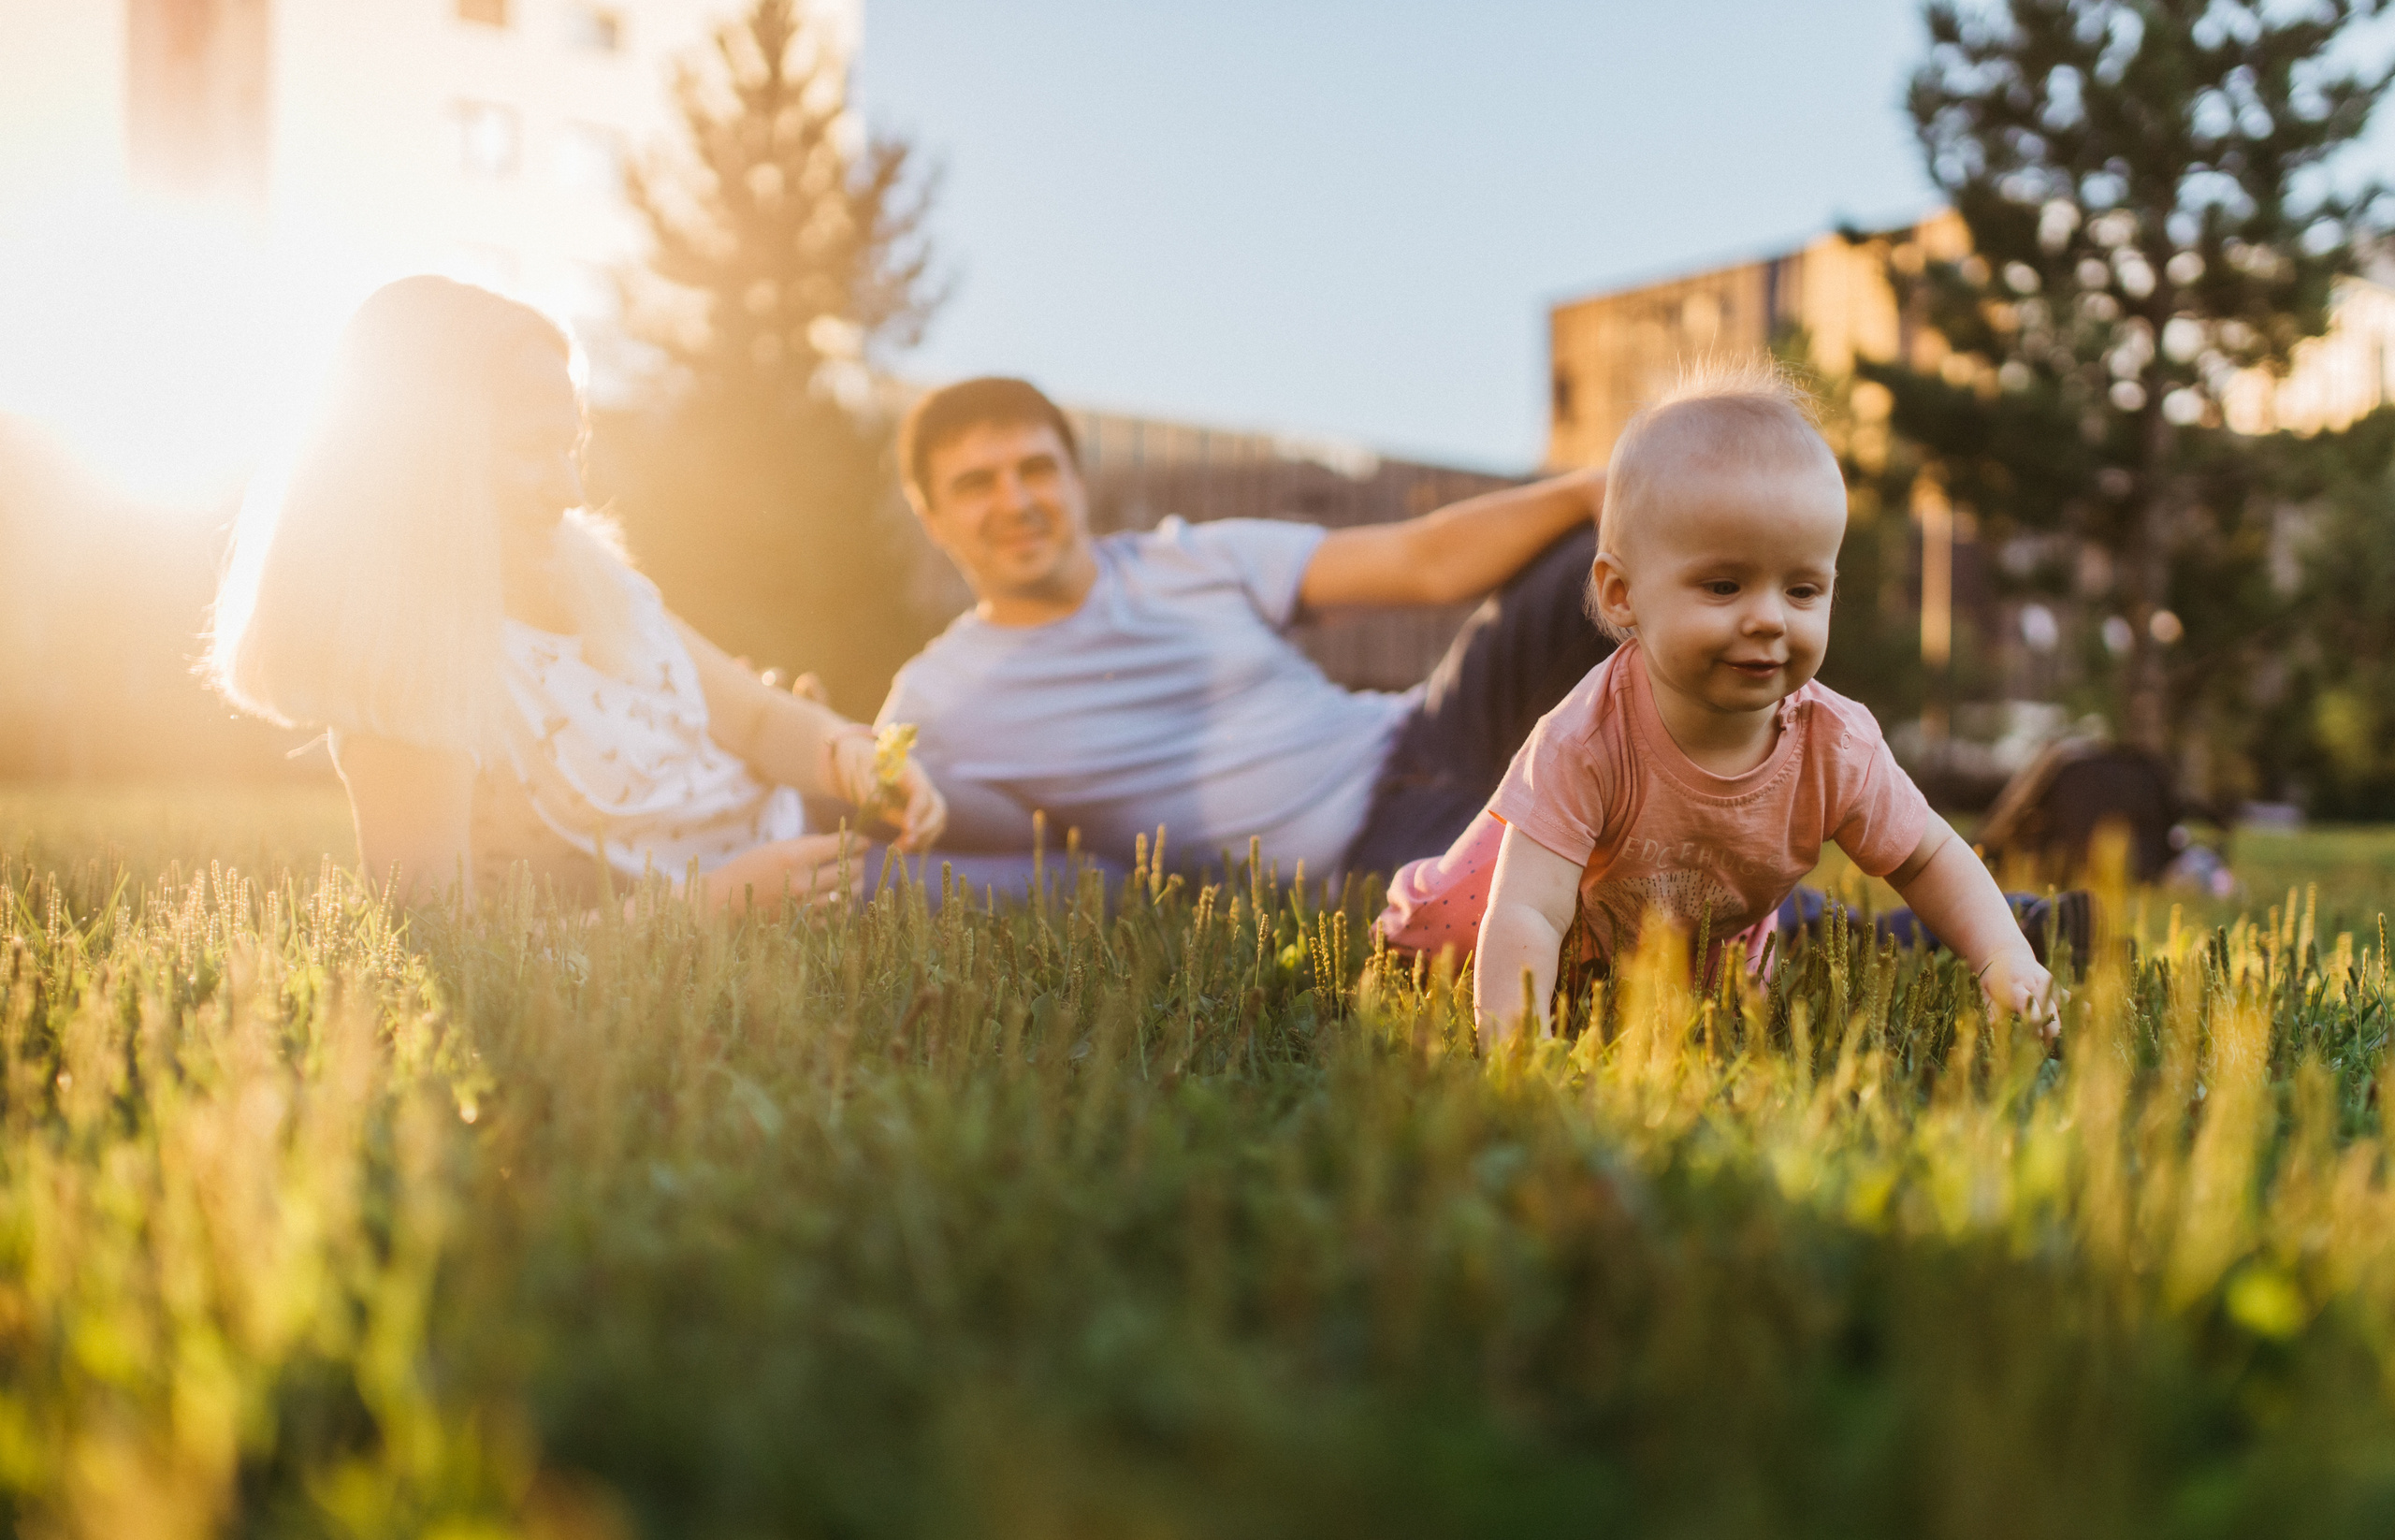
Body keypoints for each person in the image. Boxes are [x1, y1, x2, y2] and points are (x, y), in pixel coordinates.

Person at [208, 276, 946, 908]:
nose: (571, 491)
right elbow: (453, 951)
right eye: (532, 449)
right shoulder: (412, 687)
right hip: (809, 874)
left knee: (966, 800)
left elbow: (755, 721)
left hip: (807, 812)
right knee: (996, 864)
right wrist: (718, 905)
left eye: (570, 447)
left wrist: (847, 757)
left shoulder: (594, 582)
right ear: (421, 466)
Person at [1406, 361, 2056, 1045]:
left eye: (1802, 590)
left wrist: (2004, 957)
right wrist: (1517, 1049)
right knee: (1452, 948)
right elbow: (1530, 914)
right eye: (1723, 586)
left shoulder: (1834, 744)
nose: (1770, 619)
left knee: (1712, 1017)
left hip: (1692, 943)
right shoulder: (1585, 740)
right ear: (1622, 594)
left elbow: (1926, 856)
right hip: (1508, 925)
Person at [880, 377, 1613, 882]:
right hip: (1373, 852)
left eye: (1035, 469)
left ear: (1076, 480)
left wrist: (1588, 491)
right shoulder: (937, 697)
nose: (1014, 501)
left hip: (1432, 729)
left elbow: (1422, 561)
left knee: (1600, 554)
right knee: (1556, 888)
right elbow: (870, 799)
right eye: (976, 484)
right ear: (932, 518)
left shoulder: (1193, 557)